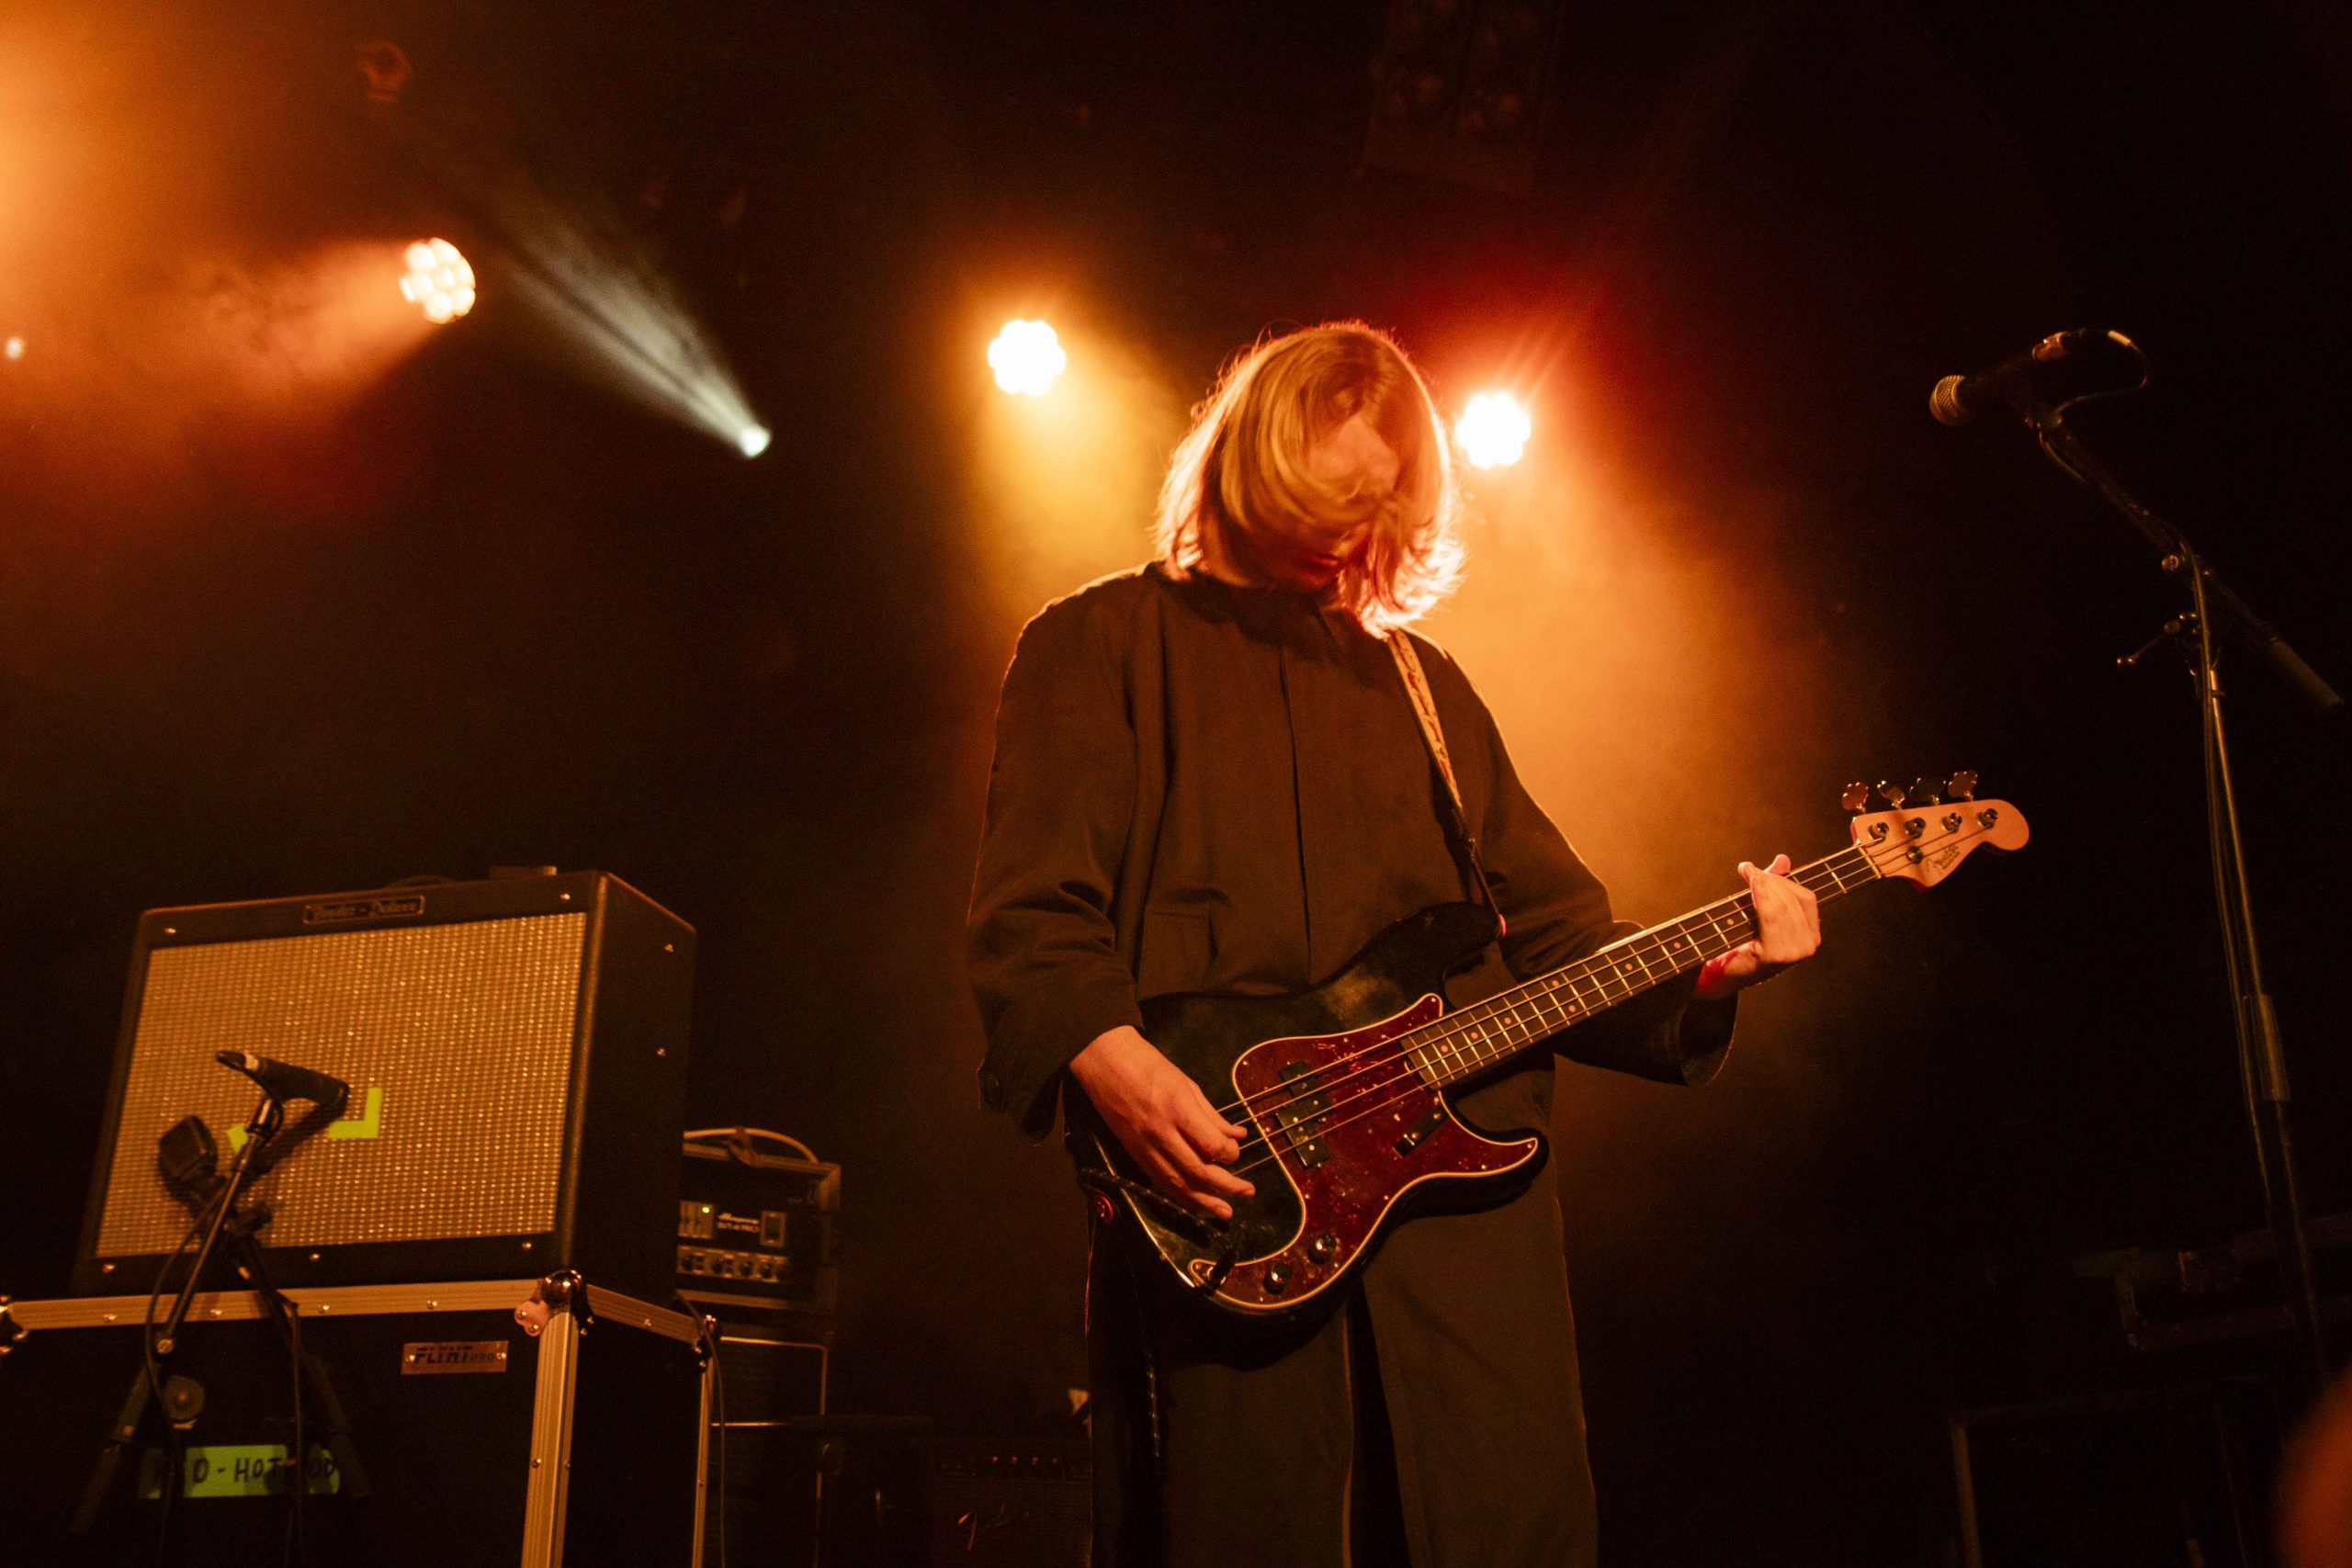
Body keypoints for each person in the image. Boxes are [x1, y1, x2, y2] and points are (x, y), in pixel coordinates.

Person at [967, 321, 1820, 1566]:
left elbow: (1560, 934)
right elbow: (1031, 911)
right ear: (1251, 462)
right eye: (1324, 499)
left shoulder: (1426, 686)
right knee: (1242, 1528)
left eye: (1375, 507)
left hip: (1462, 1205)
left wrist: (1712, 970)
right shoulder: (1097, 645)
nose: (1345, 534)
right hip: (1234, 1178)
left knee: (1498, 1522)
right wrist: (1108, 1055)